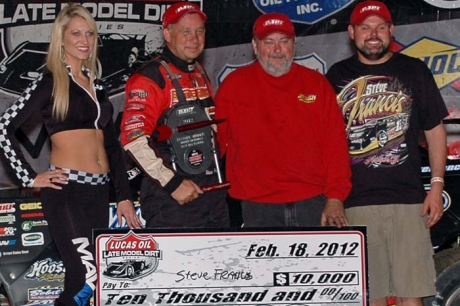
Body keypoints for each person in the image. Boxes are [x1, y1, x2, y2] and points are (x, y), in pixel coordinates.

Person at [0, 3, 142, 305]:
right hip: (67, 191)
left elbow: (113, 146)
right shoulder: (51, 81)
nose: (84, 40)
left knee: (86, 279)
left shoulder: (97, 84)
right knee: (86, 279)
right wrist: (30, 176)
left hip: (99, 192)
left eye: (90, 33)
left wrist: (124, 195)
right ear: (60, 38)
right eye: (76, 33)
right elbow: (4, 127)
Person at [325, 1, 447, 305]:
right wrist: (333, 197)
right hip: (355, 202)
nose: (373, 34)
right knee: (370, 296)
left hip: (408, 201)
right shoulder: (336, 76)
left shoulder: (414, 70)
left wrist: (436, 185)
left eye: (380, 27)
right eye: (365, 27)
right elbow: (324, 142)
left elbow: (435, 131)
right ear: (351, 32)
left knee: (412, 295)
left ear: (391, 30)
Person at [214, 12, 352, 228]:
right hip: (256, 206)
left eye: (283, 41)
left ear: (294, 44)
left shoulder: (316, 84)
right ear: (254, 45)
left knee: (315, 264)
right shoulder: (233, 87)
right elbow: (214, 148)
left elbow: (336, 145)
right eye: (268, 42)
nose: (277, 50)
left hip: (314, 201)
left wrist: (336, 197)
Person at [120, 2, 229, 228]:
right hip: (171, 198)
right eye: (186, 31)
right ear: (168, 33)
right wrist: (172, 183)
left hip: (211, 193)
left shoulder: (199, 72)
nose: (194, 38)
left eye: (199, 31)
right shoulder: (150, 78)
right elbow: (134, 140)